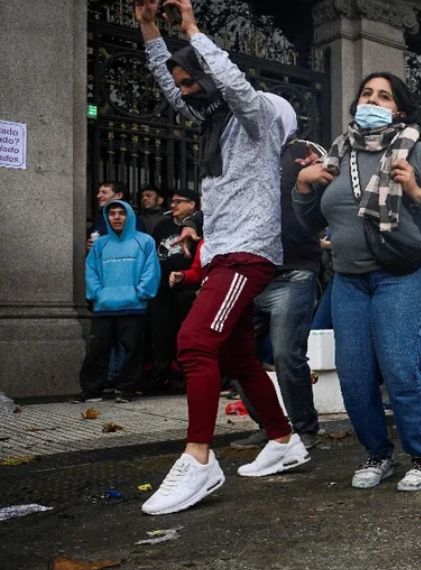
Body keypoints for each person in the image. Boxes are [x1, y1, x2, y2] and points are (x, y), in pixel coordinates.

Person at [136, 0, 306, 516]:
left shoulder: (256, 119)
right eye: (185, 83)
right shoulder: (212, 123)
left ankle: (199, 458)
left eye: (194, 80)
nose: (186, 89)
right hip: (221, 254)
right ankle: (283, 440)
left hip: (246, 254)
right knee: (236, 357)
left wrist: (192, 29)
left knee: (193, 342)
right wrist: (148, 29)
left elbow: (231, 83)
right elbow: (173, 85)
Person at [294, 71, 421, 490]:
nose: (373, 100)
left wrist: (417, 193)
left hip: (403, 272)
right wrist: (302, 187)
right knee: (353, 374)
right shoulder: (336, 155)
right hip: (349, 279)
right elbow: (312, 221)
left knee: (399, 365)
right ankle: (378, 454)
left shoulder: (418, 152)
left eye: (384, 96)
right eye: (367, 93)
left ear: (399, 108)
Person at [231, 138, 325, 450]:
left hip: (295, 271)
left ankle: (304, 428)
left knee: (286, 353)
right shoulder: (249, 161)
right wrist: (193, 222)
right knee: (237, 351)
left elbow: (329, 195)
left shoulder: (305, 150)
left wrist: (314, 169)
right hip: (253, 272)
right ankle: (271, 426)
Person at [76, 201, 161, 403]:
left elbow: (151, 270)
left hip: (134, 306)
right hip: (104, 307)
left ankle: (126, 390)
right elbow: (91, 271)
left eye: (121, 213)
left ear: (129, 216)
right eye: (112, 213)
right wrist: (97, 294)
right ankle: (92, 392)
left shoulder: (145, 241)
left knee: (132, 351)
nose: (116, 217)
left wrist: (140, 293)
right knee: (97, 350)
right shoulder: (100, 244)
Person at [147, 187, 201, 391]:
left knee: (186, 334)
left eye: (179, 201)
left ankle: (187, 377)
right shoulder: (162, 226)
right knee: (161, 333)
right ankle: (162, 376)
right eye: (172, 201)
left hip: (188, 288)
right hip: (162, 288)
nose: (173, 205)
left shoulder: (199, 228)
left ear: (192, 205)